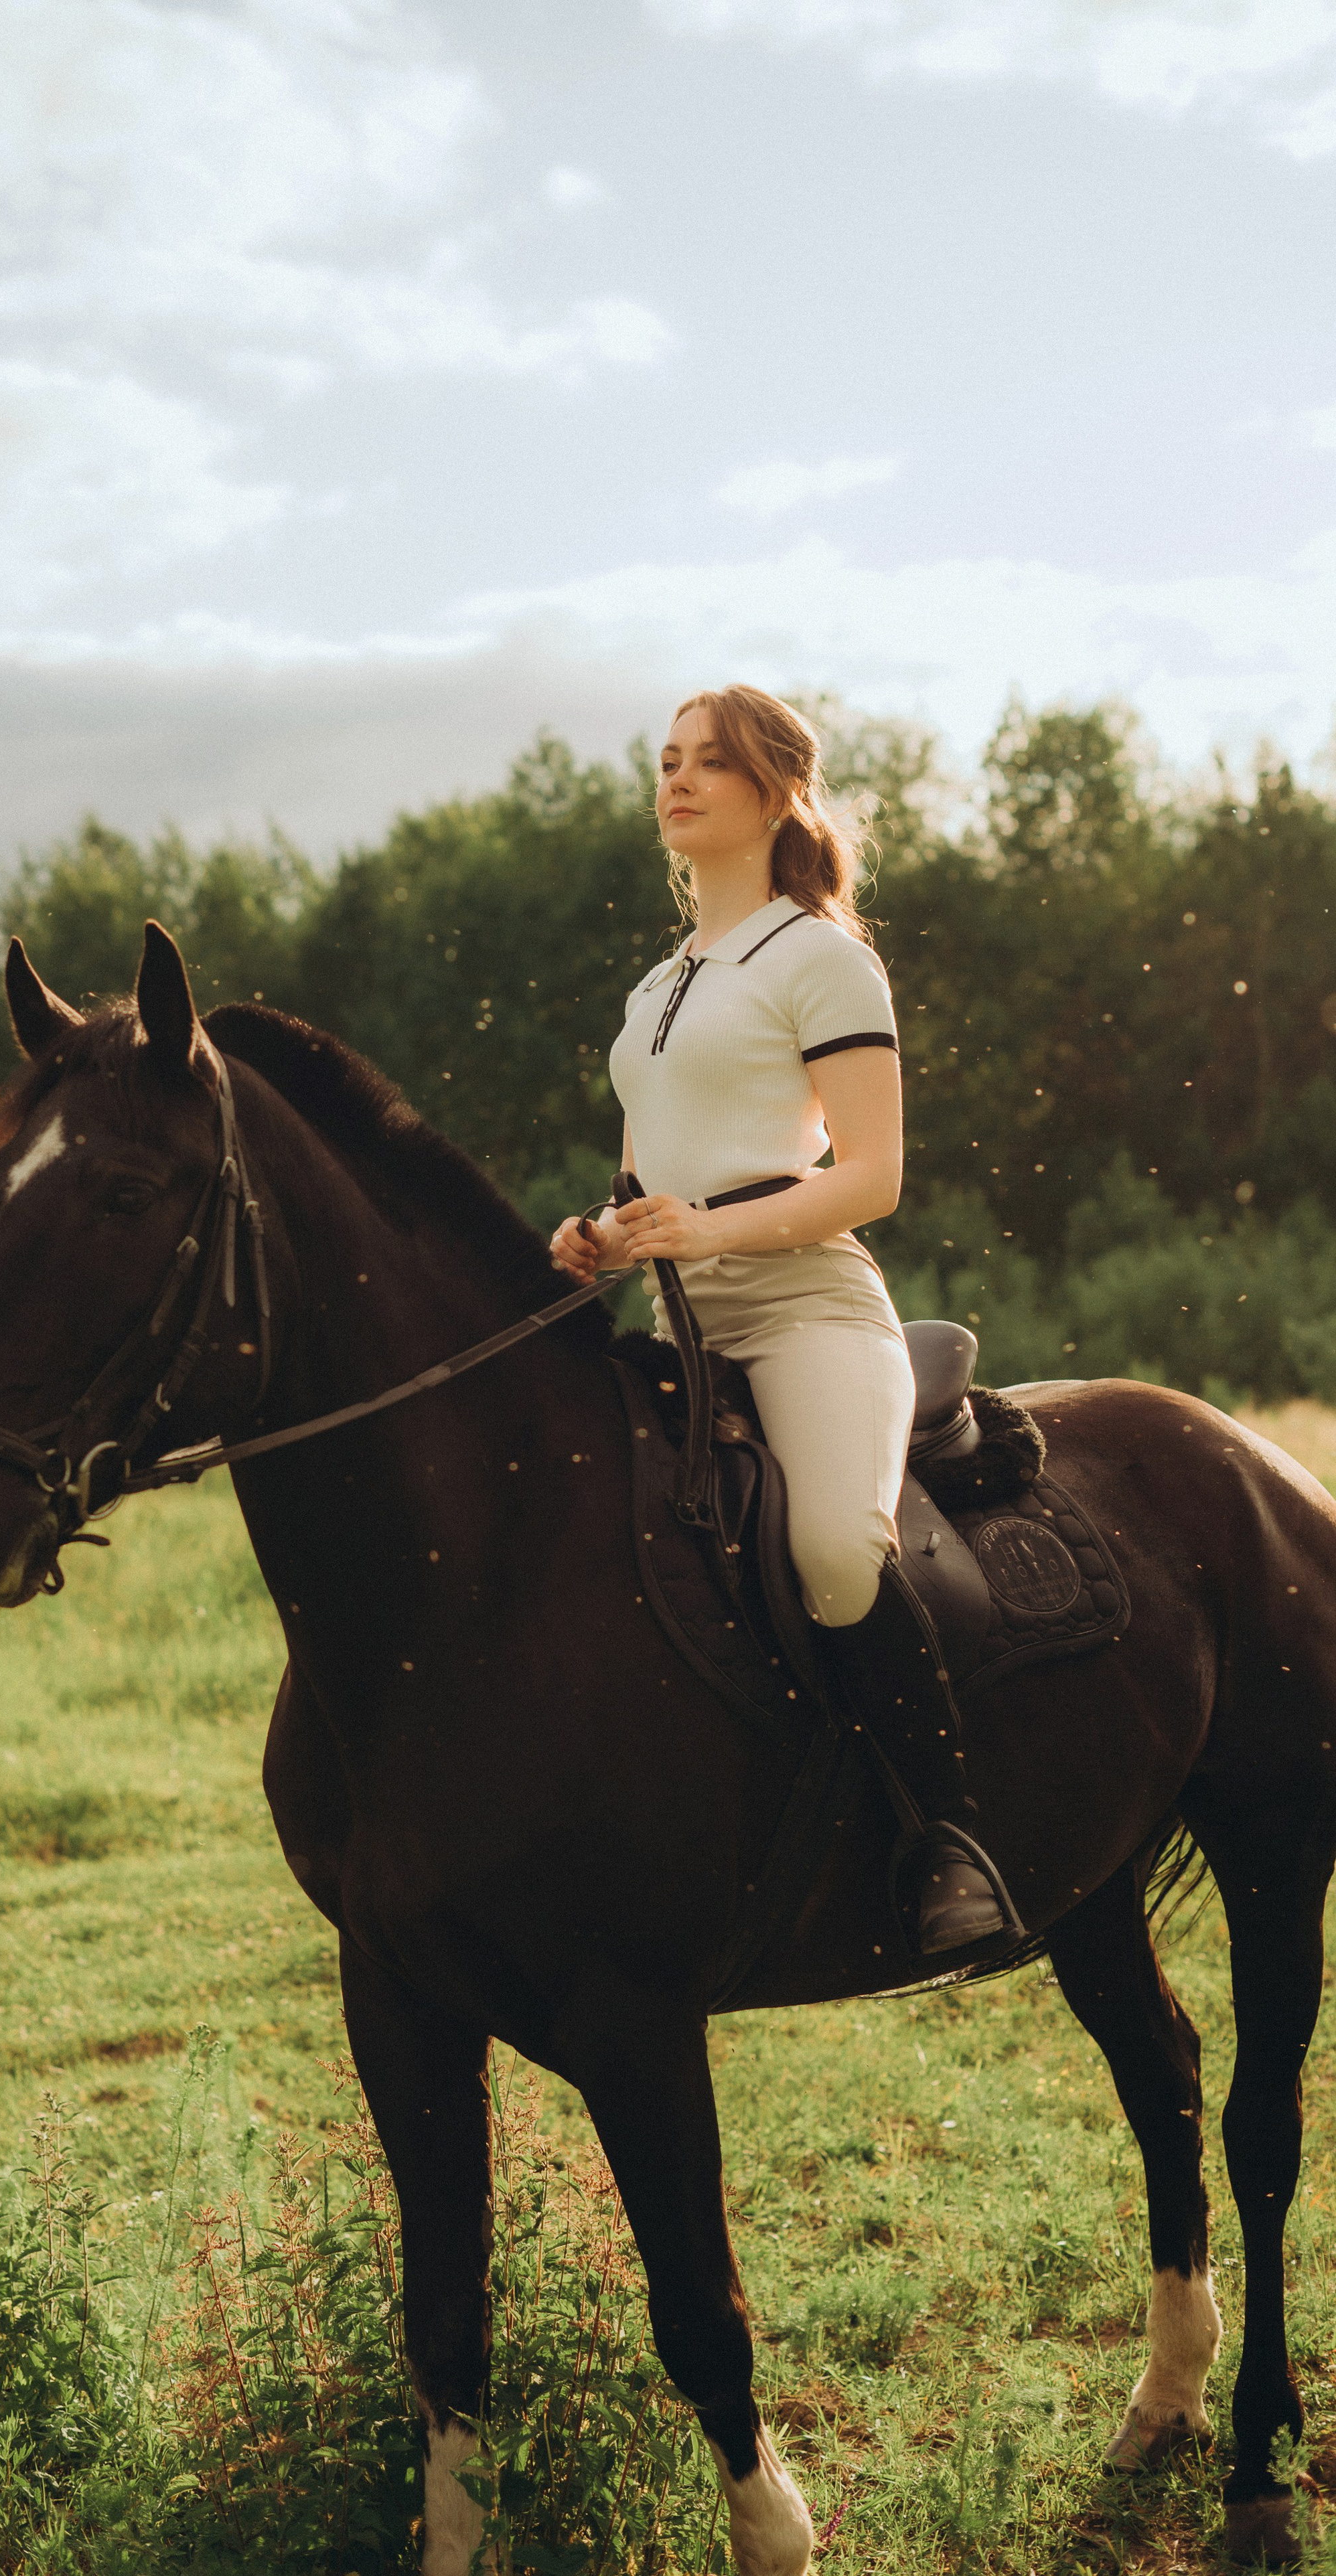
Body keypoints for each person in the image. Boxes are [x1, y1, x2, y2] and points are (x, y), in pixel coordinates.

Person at [550, 684, 1014, 1958]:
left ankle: (948, 1838)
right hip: (681, 1316)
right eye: (666, 762)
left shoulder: (822, 955)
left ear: (774, 791)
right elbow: (649, 1176)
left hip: (806, 1307)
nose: (677, 782)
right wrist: (605, 1233)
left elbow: (872, 1178)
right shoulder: (658, 987)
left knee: (830, 1551)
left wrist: (710, 1228)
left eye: (709, 763)